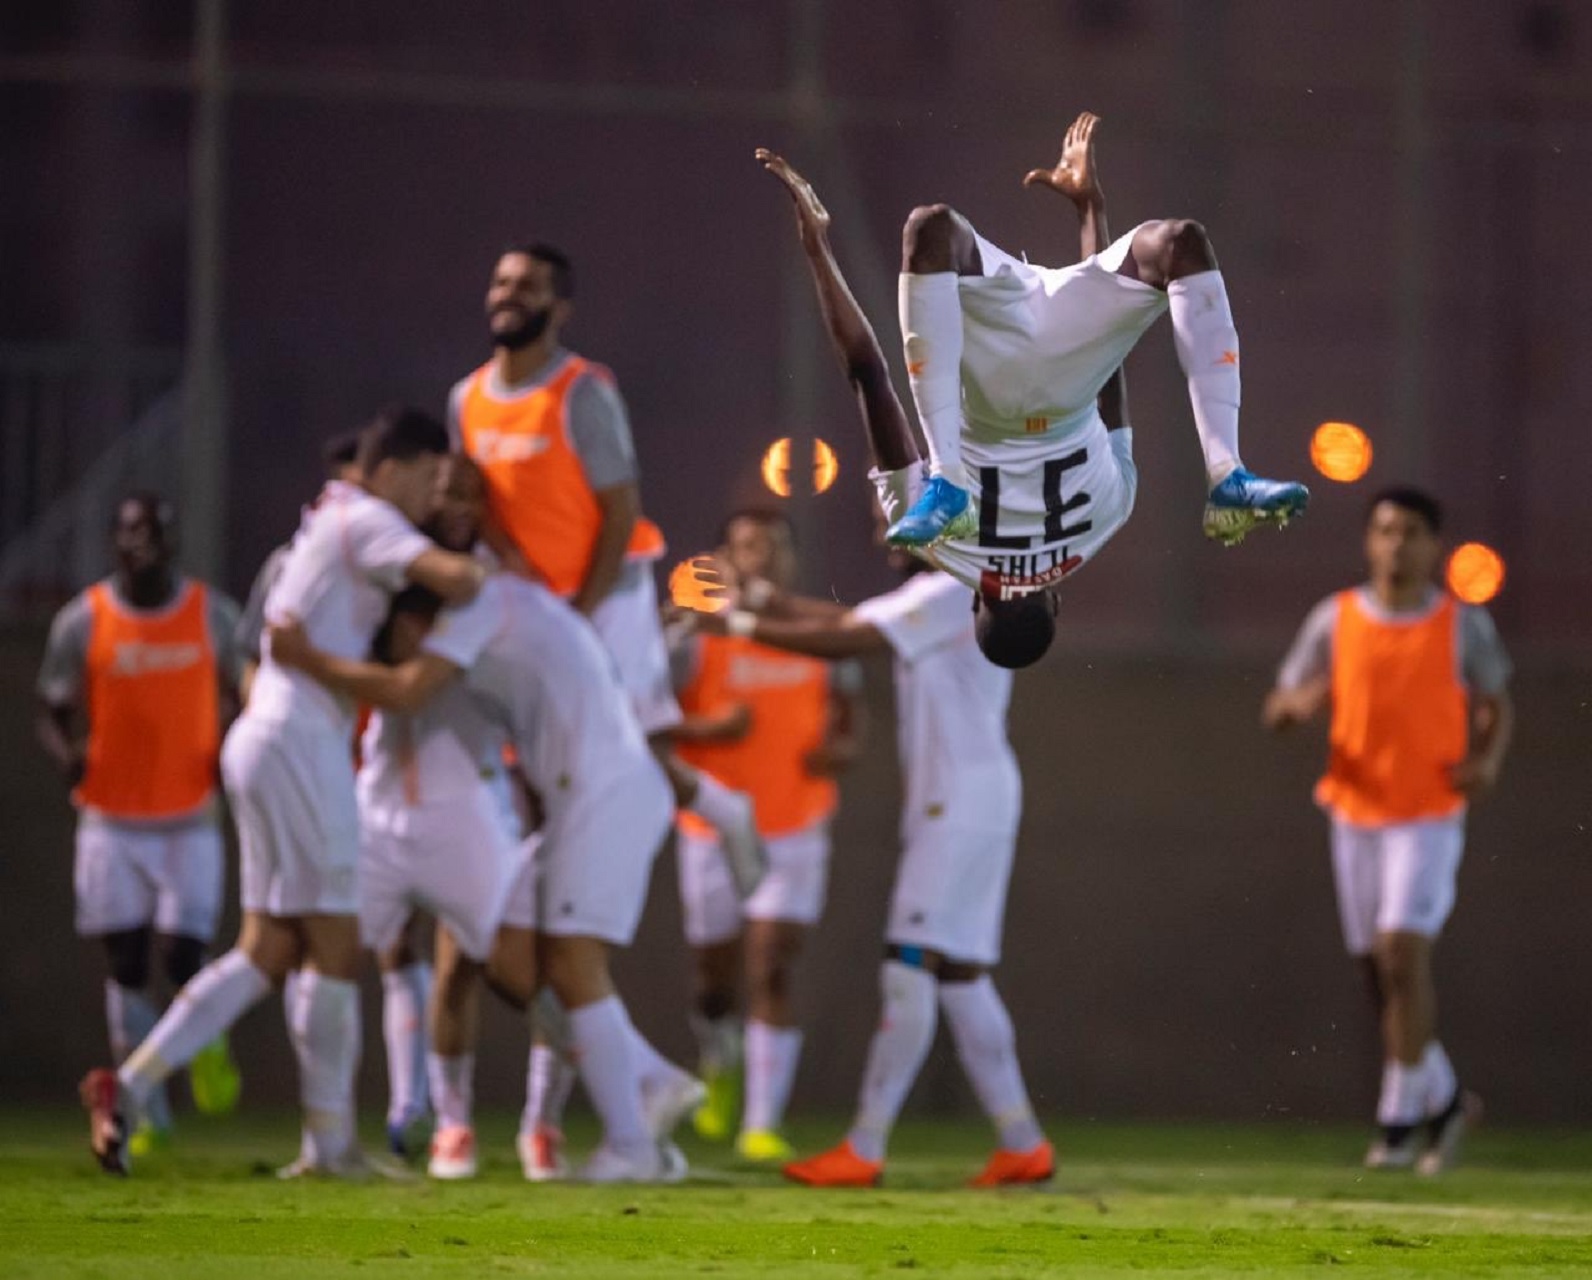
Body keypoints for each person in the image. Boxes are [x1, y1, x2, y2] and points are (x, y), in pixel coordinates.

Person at [268, 454, 700, 1184]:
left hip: (583, 789)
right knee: (504, 958)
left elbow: (410, 689)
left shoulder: (480, 595)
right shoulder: (439, 581)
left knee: (564, 960)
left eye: (469, 494)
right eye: (442, 490)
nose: (454, 504)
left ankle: (622, 1136)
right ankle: (644, 1093)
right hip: (562, 792)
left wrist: (304, 656)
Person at [80, 407, 487, 1177]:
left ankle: (125, 1087)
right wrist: (480, 560)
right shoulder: (367, 517)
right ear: (397, 466)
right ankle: (331, 1146)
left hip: (267, 735)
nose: (437, 495)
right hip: (300, 740)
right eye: (433, 478)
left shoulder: (332, 514)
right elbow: (459, 577)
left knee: (268, 948)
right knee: (333, 945)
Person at [798, 113, 1309, 669]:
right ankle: (949, 474)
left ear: (1057, 601)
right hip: (995, 380)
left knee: (1182, 243)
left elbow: (1109, 374)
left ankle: (1226, 471)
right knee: (929, 230)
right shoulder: (937, 545)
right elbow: (867, 372)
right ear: (975, 602)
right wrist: (817, 249)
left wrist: (1090, 210)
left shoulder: (1108, 517)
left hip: (1070, 377)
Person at [448, 242, 765, 886]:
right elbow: (473, 500)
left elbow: (621, 513)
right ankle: (543, 882)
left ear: (559, 308)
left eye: (529, 286)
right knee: (530, 753)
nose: (510, 294)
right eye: (502, 281)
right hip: (527, 603)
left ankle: (724, 813)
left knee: (633, 739)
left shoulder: (580, 392)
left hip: (605, 597)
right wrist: (512, 567)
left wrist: (580, 613)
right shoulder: (466, 398)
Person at [1263, 487, 1512, 1175]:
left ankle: (1397, 1125)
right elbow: (1280, 702)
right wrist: (1295, 707)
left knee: (1402, 952)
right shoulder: (1335, 619)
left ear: (1433, 544)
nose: (1395, 544)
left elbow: (1495, 702)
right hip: (1354, 811)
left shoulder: (1460, 624)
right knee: (1380, 977)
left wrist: (1485, 761)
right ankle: (1448, 1099)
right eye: (1383, 530)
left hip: (1428, 811)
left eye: (1409, 532)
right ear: (1368, 540)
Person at [38, 493, 245, 1153]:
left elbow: (252, 688)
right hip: (110, 817)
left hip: (189, 813)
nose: (143, 544)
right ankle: (145, 1103)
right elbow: (50, 704)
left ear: (173, 542)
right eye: (131, 532)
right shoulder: (84, 621)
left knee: (184, 957)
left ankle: (206, 1038)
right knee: (126, 963)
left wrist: (238, 746)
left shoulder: (212, 614)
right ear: (114, 541)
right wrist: (65, 749)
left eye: (155, 532)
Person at [670, 508, 864, 1159]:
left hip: (795, 823)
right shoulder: (694, 632)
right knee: (712, 979)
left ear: (789, 560)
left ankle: (761, 1122)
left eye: (771, 548)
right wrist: (708, 731)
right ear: (724, 555)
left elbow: (851, 725)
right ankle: (717, 1060)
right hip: (713, 826)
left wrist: (837, 752)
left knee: (773, 965)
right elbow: (646, 723)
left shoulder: (814, 632)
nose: (758, 558)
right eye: (746, 546)